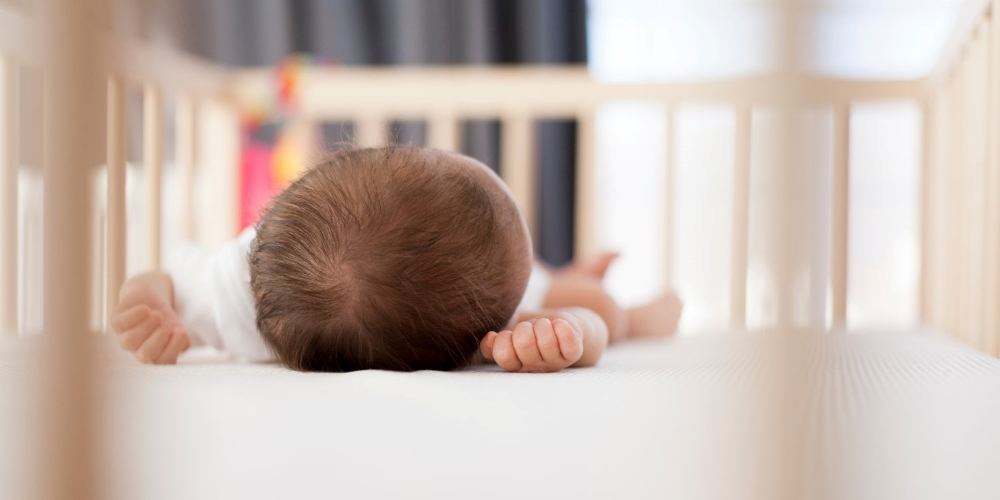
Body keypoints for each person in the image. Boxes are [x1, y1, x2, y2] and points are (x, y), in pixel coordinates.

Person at [111, 146, 681, 372]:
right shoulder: (494, 329)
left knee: (568, 287)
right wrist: (565, 334)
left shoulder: (237, 283)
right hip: (528, 297)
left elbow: (159, 275)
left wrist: (145, 305)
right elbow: (589, 335)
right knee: (596, 305)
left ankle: (572, 275)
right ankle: (644, 313)